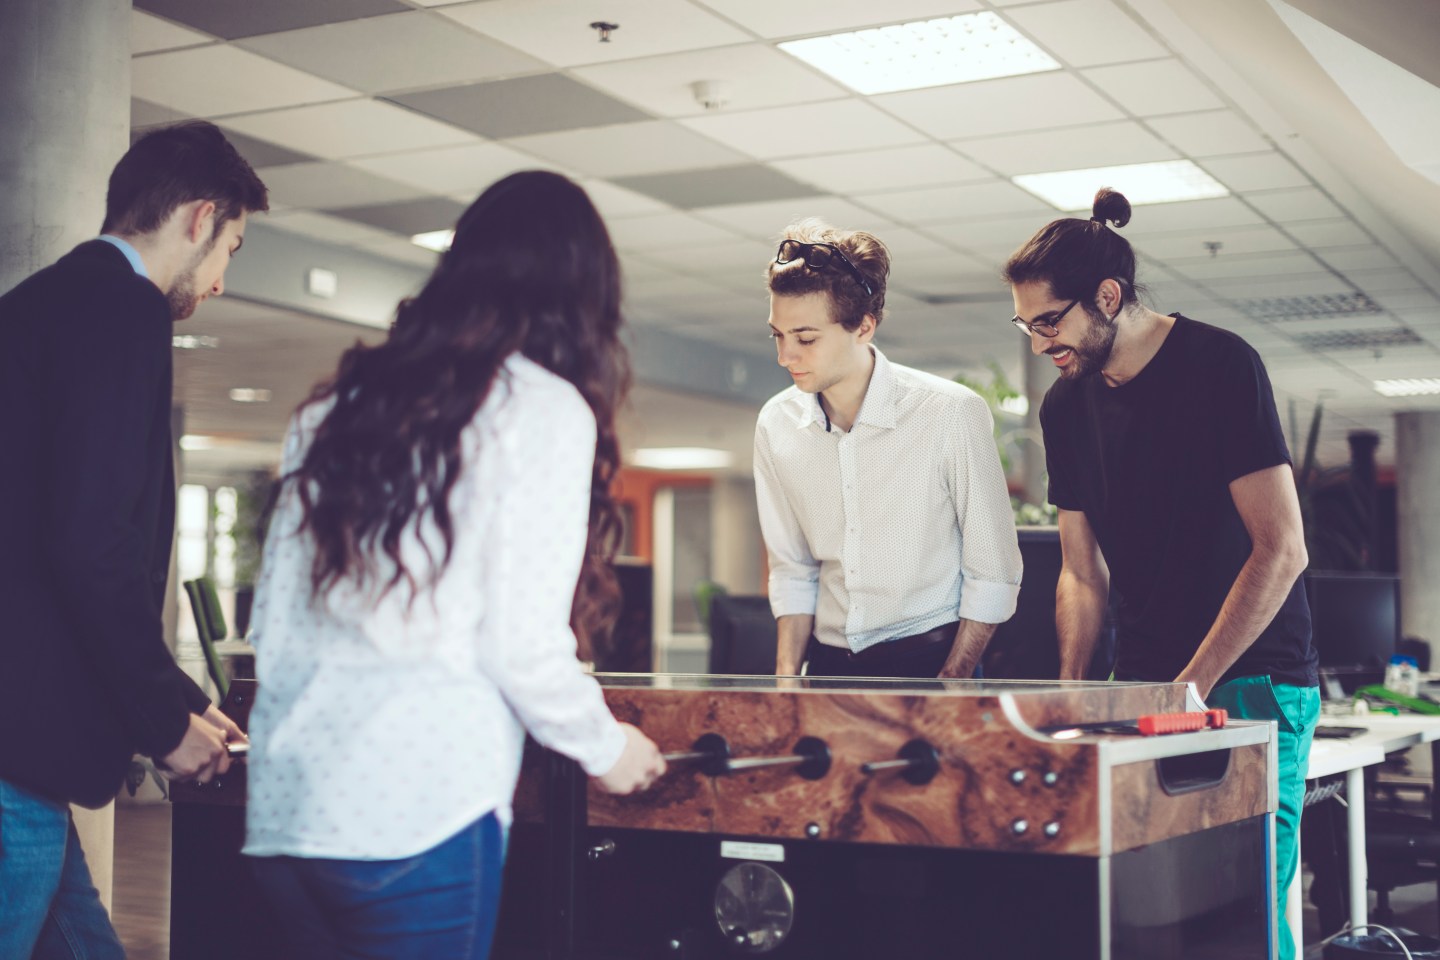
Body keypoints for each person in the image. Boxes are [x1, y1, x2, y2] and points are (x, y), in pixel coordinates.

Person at [243, 171, 667, 960]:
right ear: (581, 292)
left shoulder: (332, 410)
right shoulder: (540, 409)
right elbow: (520, 646)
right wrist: (609, 751)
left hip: (287, 815)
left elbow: (271, 625)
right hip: (417, 816)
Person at [1009, 188, 1317, 958]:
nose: (1040, 342)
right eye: (1027, 325)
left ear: (1108, 297)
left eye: (1049, 322)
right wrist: (1074, 690)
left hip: (1253, 677)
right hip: (1146, 681)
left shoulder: (1220, 365)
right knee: (1148, 913)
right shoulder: (1065, 408)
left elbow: (1281, 549)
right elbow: (1081, 573)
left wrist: (1192, 687)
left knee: (1243, 908)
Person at [0, 121, 267, 959]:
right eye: (231, 249)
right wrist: (162, 720)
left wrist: (184, 700)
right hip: (13, 762)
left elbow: (34, 545)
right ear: (201, 217)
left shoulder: (34, 305)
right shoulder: (122, 310)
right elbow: (89, 543)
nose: (221, 280)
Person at [754, 219, 1022, 680]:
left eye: (806, 338)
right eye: (777, 335)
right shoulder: (776, 423)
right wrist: (786, 684)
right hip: (828, 666)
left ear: (864, 326)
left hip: (933, 662)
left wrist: (952, 681)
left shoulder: (950, 413)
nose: (785, 356)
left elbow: (993, 573)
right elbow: (793, 571)